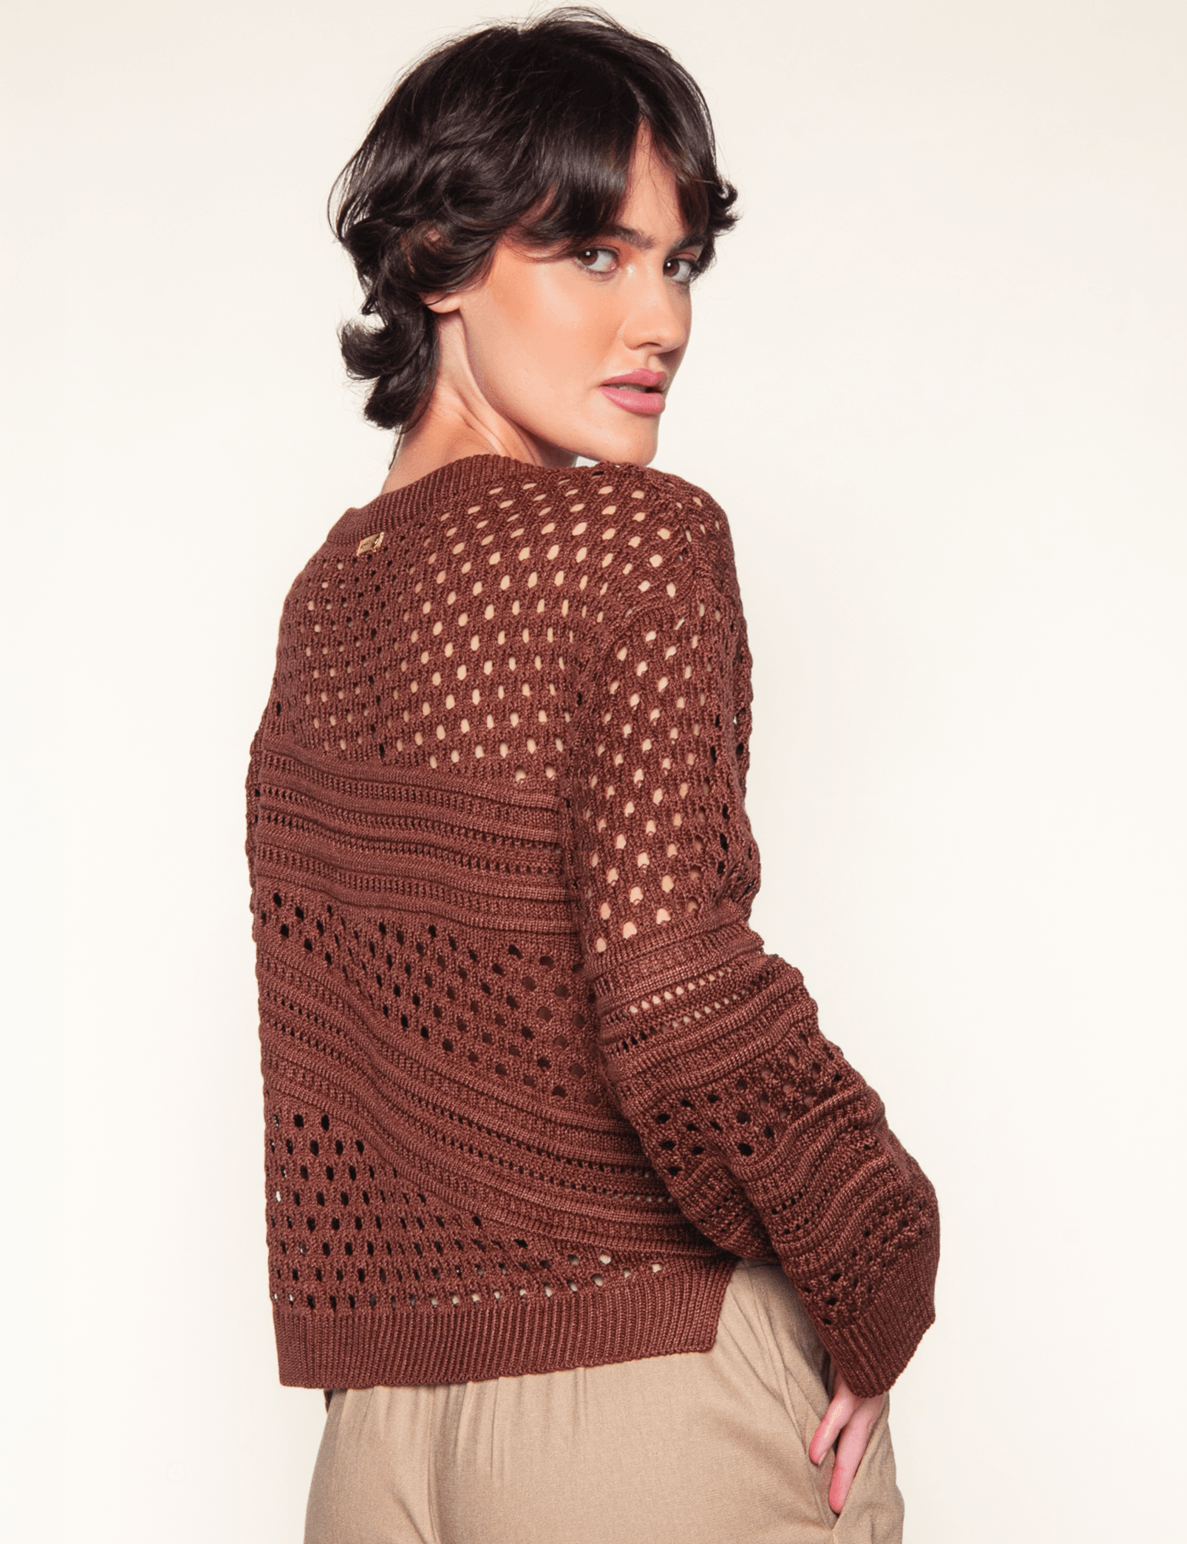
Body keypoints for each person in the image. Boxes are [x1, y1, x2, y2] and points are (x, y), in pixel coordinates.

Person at [245, 10, 939, 1541]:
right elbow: (669, 989)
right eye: (596, 256)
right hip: (645, 1404)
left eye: (678, 263)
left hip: (375, 1445)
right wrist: (879, 1249)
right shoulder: (641, 540)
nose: (663, 320)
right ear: (437, 260)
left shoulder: (324, 602)